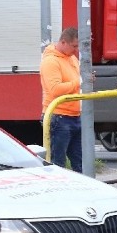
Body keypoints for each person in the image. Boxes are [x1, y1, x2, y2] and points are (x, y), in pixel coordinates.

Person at [39, 27, 82, 173]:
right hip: (58, 116)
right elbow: (55, 89)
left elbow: (75, 82)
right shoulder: (51, 61)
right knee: (58, 163)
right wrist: (79, 82)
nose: (76, 50)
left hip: (73, 115)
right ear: (63, 42)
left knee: (78, 162)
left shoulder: (72, 58)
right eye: (74, 46)